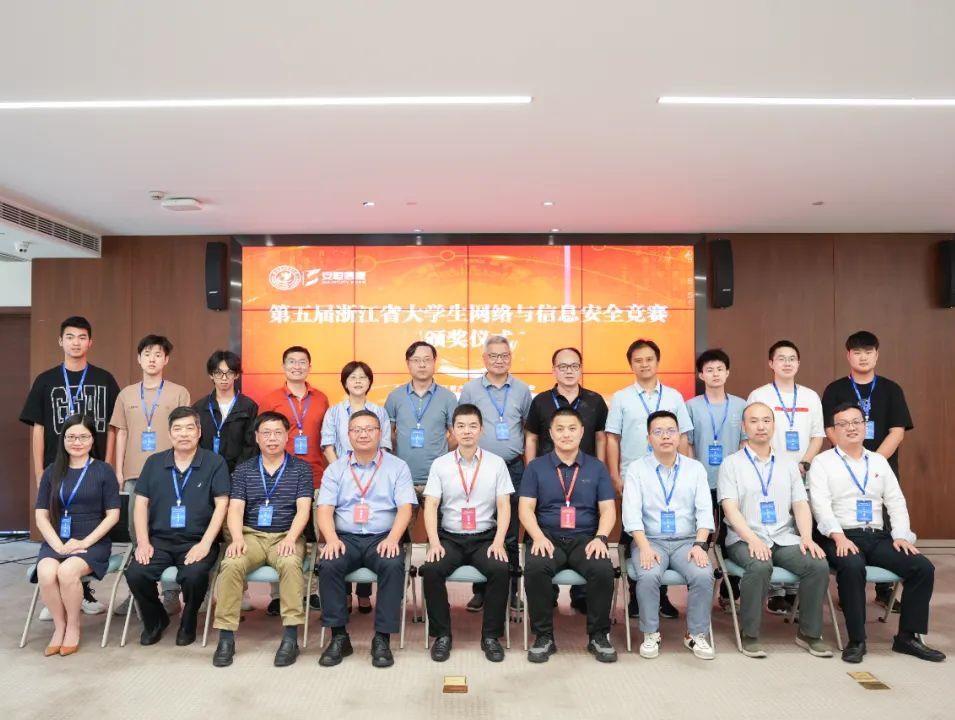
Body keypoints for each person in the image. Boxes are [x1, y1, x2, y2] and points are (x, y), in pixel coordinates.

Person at [810, 402, 944, 664]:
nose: (851, 428)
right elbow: (820, 505)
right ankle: (857, 640)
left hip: (877, 535)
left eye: (856, 422)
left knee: (922, 567)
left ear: (865, 426)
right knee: (852, 566)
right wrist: (838, 536)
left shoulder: (879, 461)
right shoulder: (822, 462)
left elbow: (896, 502)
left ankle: (907, 637)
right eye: (843, 424)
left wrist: (901, 536)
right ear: (833, 431)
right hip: (839, 535)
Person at [20, 315, 120, 618]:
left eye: (82, 337)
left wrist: (109, 466)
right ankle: (55, 597)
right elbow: (38, 428)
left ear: (90, 342)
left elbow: (113, 428)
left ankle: (82, 592)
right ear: (60, 341)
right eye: (70, 337)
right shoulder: (46, 380)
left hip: (93, 470)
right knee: (58, 529)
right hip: (58, 470)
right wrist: (40, 471)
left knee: (88, 528)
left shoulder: (104, 379)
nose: (76, 343)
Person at [718, 402, 832, 658]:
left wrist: (806, 537)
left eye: (766, 420)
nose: (761, 426)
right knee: (759, 565)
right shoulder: (731, 464)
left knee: (817, 564)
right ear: (744, 426)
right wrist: (752, 540)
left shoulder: (788, 463)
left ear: (773, 425)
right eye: (754, 421)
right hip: (744, 539)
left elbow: (800, 503)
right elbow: (730, 508)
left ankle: (809, 633)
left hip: (783, 537)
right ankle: (750, 634)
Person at [212, 412, 314, 667]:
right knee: (231, 564)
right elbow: (235, 509)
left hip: (286, 536)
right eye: (266, 433)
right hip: (251, 536)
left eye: (278, 433)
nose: (272, 438)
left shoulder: (301, 469)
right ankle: (226, 637)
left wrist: (291, 538)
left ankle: (290, 637)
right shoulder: (244, 470)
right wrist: (237, 538)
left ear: (287, 436)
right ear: (257, 438)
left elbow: (303, 509)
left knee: (290, 564)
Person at [316, 410, 417, 669]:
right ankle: (339, 637)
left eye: (369, 429)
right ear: (348, 435)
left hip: (383, 537)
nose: (363, 434)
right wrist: (331, 539)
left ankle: (382, 638)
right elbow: (324, 509)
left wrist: (393, 539)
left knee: (392, 564)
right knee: (328, 563)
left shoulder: (397, 467)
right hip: (345, 538)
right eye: (357, 430)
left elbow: (405, 508)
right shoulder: (335, 469)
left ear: (380, 433)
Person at [821, 330, 913, 610]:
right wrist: (852, 458)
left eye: (868, 352)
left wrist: (872, 461)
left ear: (877, 355)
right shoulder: (835, 389)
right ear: (848, 355)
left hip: (881, 469)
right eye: (857, 352)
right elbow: (830, 428)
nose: (863, 357)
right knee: (845, 523)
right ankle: (849, 590)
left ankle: (885, 591)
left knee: (884, 524)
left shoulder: (891, 389)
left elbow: (897, 432)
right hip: (843, 469)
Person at [519, 407, 618, 664]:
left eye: (572, 429)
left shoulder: (596, 468)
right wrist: (537, 537)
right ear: (551, 433)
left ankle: (598, 636)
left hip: (585, 538)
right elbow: (525, 508)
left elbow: (608, 509)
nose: (566, 434)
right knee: (536, 568)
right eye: (560, 429)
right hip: (547, 537)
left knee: (603, 569)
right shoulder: (536, 467)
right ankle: (543, 637)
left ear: (582, 432)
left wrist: (601, 538)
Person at [124, 406, 230, 647]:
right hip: (159, 541)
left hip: (197, 540)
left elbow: (222, 505)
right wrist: (143, 542)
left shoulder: (214, 463)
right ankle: (155, 620)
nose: (184, 434)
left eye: (189, 428)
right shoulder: (154, 462)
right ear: (170, 433)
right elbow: (140, 504)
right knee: (136, 574)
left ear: (199, 432)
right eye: (177, 429)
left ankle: (189, 620)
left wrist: (205, 544)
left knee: (194, 575)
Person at [419, 404, 513, 663]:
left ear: (482, 430)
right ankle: (442, 635)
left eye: (473, 426)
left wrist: (499, 542)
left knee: (500, 569)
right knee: (431, 569)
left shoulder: (496, 464)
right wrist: (434, 543)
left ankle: (491, 637)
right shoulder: (441, 464)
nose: (467, 431)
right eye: (461, 426)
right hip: (450, 538)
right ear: (452, 430)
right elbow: (431, 505)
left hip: (485, 538)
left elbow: (504, 505)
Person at [606, 339, 692, 619]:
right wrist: (614, 474)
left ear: (657, 362)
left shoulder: (674, 397)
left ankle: (662, 597)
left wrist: (685, 472)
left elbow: (683, 437)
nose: (644, 364)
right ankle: (635, 595)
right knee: (633, 533)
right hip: (633, 476)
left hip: (668, 476)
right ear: (631, 365)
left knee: (663, 532)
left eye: (649, 359)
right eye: (638, 360)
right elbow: (612, 438)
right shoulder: (621, 398)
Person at [110, 334, 191, 616]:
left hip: (171, 474)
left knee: (170, 532)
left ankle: (171, 592)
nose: (152, 359)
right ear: (139, 359)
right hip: (135, 473)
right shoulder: (126, 394)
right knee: (137, 534)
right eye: (147, 354)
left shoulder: (179, 392)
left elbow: (186, 431)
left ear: (166, 359)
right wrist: (118, 470)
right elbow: (121, 433)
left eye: (158, 354)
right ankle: (140, 591)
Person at [623, 410, 715, 660]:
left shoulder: (695, 469)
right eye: (658, 432)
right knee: (648, 574)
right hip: (650, 541)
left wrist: (700, 545)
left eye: (671, 431)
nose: (665, 436)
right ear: (648, 438)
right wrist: (644, 547)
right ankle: (651, 633)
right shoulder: (637, 469)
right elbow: (631, 514)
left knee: (703, 573)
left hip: (687, 542)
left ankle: (695, 634)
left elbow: (704, 511)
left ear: (679, 435)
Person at [524, 347, 608, 614]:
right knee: (544, 533)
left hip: (585, 478)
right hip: (548, 477)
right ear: (554, 370)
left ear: (581, 368)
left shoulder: (595, 400)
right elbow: (532, 438)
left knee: (585, 532)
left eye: (574, 366)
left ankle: (582, 595)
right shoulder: (541, 401)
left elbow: (601, 438)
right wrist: (531, 471)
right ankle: (545, 595)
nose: (569, 371)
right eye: (563, 366)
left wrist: (601, 470)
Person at [32, 413, 120, 655]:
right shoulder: (52, 471)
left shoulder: (103, 471)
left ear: (92, 440)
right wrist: (57, 546)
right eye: (71, 437)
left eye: (83, 436)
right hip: (57, 540)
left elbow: (113, 515)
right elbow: (41, 516)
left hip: (92, 542)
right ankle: (59, 627)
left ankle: (73, 626)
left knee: (67, 571)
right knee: (46, 572)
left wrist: (84, 542)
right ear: (63, 439)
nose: (77, 442)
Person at [746, 339, 825, 613]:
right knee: (770, 525)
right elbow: (751, 434)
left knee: (798, 528)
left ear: (799, 363)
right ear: (771, 363)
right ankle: (775, 592)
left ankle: (795, 591)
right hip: (769, 475)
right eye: (781, 358)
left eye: (792, 358)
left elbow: (817, 435)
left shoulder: (810, 397)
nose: (787, 363)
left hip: (802, 472)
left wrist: (805, 462)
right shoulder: (760, 395)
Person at [458, 335, 532, 613]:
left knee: (510, 532)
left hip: (513, 467)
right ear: (484, 359)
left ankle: (511, 592)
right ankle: (481, 591)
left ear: (510, 358)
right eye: (493, 355)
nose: (499, 360)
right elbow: (464, 423)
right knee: (482, 529)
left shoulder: (522, 390)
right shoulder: (470, 389)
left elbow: (527, 428)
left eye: (504, 355)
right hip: (479, 467)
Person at [257, 345, 329, 614]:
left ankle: (312, 591)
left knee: (316, 536)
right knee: (280, 534)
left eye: (302, 362)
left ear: (309, 366)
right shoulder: (271, 399)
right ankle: (278, 594)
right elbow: (262, 438)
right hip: (280, 479)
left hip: (316, 475)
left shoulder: (321, 399)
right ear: (283, 366)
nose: (297, 366)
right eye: (291, 362)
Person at [322, 360, 392, 613]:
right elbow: (328, 445)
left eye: (363, 377)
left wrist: (374, 474)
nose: (358, 381)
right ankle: (344, 595)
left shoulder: (379, 412)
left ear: (370, 382)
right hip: (343, 479)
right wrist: (342, 473)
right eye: (353, 377)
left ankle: (364, 593)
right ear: (345, 382)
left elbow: (384, 446)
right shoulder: (334, 412)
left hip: (374, 478)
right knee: (345, 533)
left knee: (371, 529)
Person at [685, 348, 745, 609]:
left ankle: (730, 591)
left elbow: (745, 444)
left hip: (732, 484)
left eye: (720, 369)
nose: (715, 374)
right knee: (701, 535)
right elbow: (687, 445)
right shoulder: (691, 406)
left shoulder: (741, 405)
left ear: (728, 372)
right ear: (701, 375)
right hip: (702, 483)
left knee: (732, 536)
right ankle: (698, 586)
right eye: (709, 370)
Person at [384, 341, 457, 489]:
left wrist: (441, 452)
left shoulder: (448, 397)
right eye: (416, 360)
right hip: (402, 478)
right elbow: (387, 433)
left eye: (427, 360)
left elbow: (456, 434)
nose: (422, 365)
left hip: (438, 478)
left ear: (434, 362)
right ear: (408, 363)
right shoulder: (395, 396)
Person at [194, 350, 258, 473]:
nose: (224, 378)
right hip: (206, 472)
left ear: (237, 375)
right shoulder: (199, 407)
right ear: (211, 375)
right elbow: (195, 443)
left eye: (229, 373)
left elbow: (251, 445)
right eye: (218, 373)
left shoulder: (249, 406)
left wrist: (239, 472)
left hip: (239, 473)